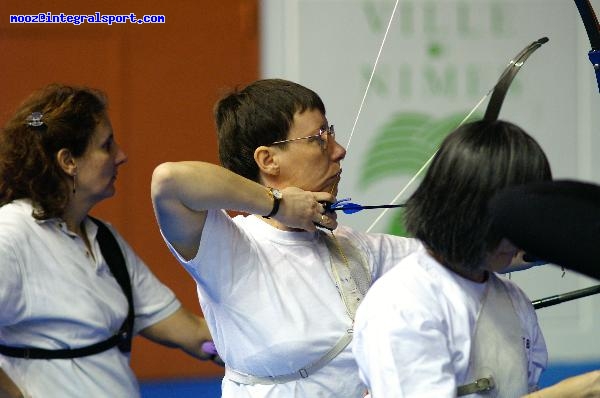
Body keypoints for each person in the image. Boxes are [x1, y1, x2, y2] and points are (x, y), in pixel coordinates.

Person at [150, 78, 422, 397]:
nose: (339, 150)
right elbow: (169, 182)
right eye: (320, 138)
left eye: (331, 133)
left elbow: (457, 254)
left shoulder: (355, 247)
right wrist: (277, 204)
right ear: (268, 160)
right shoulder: (234, 248)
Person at [0, 84, 216, 398]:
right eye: (107, 146)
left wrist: (280, 346)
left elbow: (195, 335)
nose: (121, 156)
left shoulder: (105, 241)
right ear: (68, 161)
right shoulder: (11, 232)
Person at [352, 120, 552, 397]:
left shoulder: (513, 300)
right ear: (464, 212)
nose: (519, 237)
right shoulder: (402, 304)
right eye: (508, 220)